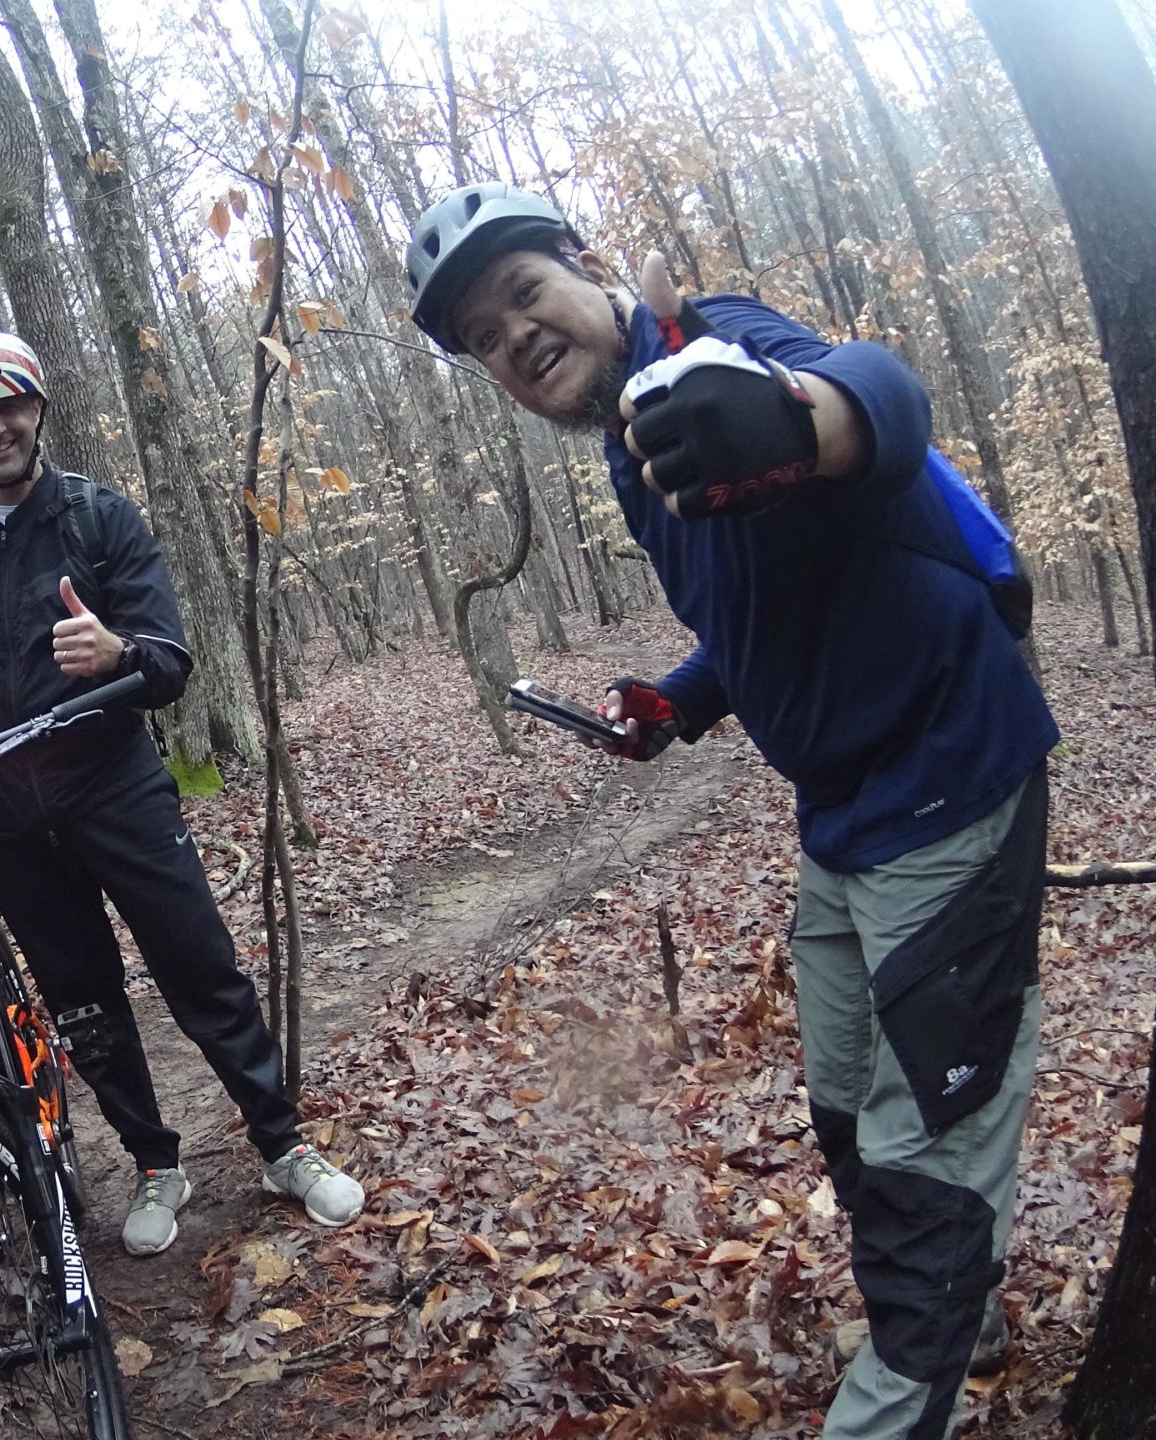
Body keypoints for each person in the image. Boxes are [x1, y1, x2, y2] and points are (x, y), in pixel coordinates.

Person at [406, 182, 1057, 1440]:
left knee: (925, 1143)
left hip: (949, 781)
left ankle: (914, 1349)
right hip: (841, 812)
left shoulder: (713, 346)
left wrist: (800, 423)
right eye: (485, 337)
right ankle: (933, 1297)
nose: (516, 337)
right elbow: (764, 596)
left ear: (588, 266)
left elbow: (876, 394)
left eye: (524, 294)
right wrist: (682, 699)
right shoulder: (627, 449)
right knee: (844, 1106)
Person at [0, 322, 364, 1257]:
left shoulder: (100, 517)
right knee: (81, 999)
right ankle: (153, 1161)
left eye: (9, 406)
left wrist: (116, 656)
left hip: (117, 787)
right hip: (6, 817)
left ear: (37, 410)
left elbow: (172, 659)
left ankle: (282, 1143)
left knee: (200, 968)